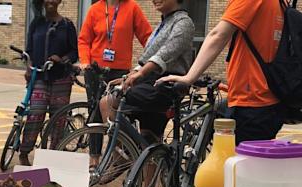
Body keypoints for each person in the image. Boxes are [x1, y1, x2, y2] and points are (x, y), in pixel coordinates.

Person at [158, 0, 286, 144]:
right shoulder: (280, 3)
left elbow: (218, 35)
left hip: (251, 101)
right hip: (270, 99)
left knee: (241, 162)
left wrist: (189, 77)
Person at [99, 0, 194, 147]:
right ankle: (124, 153)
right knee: (149, 140)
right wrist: (131, 75)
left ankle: (122, 156)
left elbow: (166, 52)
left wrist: (140, 73)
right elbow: (147, 56)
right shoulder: (164, 23)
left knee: (110, 101)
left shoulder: (183, 22)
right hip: (150, 81)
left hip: (165, 84)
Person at [19, 0, 78, 166]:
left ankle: (53, 155)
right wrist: (28, 68)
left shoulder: (67, 25)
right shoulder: (36, 23)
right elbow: (28, 50)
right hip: (39, 77)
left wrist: (62, 59)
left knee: (58, 119)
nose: (50, 1)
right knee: (35, 114)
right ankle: (24, 151)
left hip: (61, 78)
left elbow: (75, 52)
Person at [78, 0, 152, 95]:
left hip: (120, 70)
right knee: (95, 108)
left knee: (115, 106)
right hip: (95, 69)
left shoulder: (132, 7)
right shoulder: (94, 9)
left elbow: (147, 37)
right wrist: (85, 61)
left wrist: (154, 61)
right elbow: (84, 40)